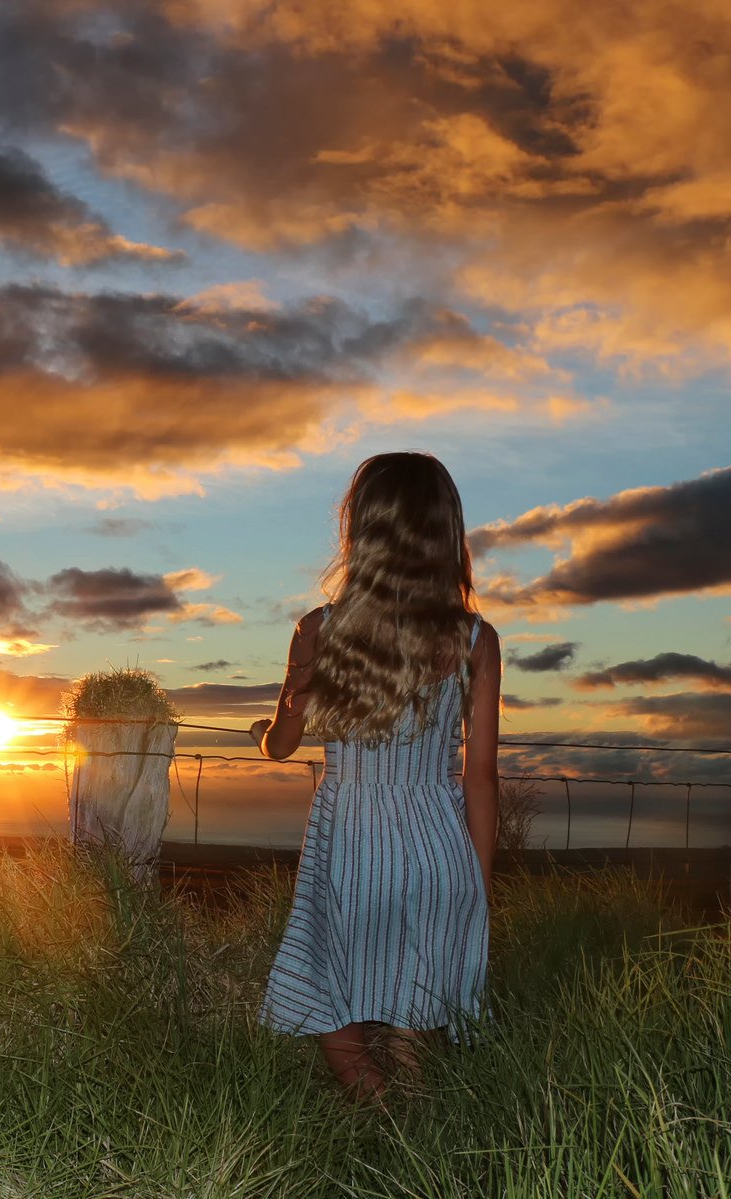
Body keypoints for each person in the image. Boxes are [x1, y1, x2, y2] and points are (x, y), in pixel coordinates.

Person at [247, 451, 500, 1108]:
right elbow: (480, 779)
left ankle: (382, 1112)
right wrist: (478, 881)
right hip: (440, 844)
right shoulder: (475, 639)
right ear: (447, 534)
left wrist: (279, 715)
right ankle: (417, 1133)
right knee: (418, 1013)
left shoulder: (319, 629)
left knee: (320, 989)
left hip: (352, 846)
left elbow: (281, 745)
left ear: (360, 530)